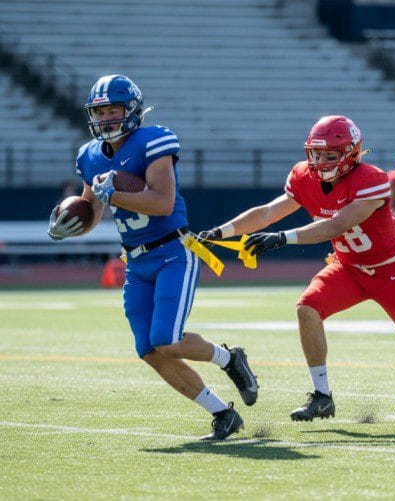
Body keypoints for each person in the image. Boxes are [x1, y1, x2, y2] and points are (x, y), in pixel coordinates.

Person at [200, 115, 395, 426]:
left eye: (330, 155)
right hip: (348, 268)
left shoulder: (372, 179)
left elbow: (338, 223)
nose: (320, 161)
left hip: (389, 273)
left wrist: (282, 238)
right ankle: (322, 396)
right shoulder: (304, 176)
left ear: (351, 153)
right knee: (307, 308)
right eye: (316, 153)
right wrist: (221, 231)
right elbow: (267, 212)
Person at [47, 74, 258, 440]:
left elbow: (162, 201)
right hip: (135, 261)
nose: (106, 118)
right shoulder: (89, 156)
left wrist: (114, 194)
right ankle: (222, 413)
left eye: (113, 109)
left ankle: (229, 359)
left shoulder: (154, 140)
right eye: (100, 111)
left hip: (172, 251)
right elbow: (92, 211)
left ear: (131, 110)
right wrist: (68, 226)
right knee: (149, 349)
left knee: (166, 338)